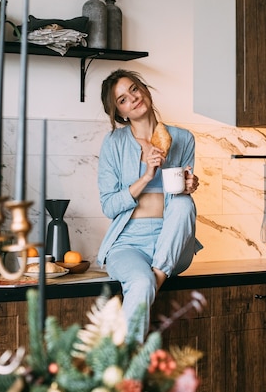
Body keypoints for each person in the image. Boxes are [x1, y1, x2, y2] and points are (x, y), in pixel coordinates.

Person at [97, 69, 203, 342]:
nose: (132, 99)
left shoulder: (182, 138)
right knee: (140, 282)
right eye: (122, 100)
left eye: (134, 89)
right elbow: (109, 206)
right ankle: (126, 371)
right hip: (128, 244)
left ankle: (152, 280)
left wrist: (189, 184)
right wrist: (146, 176)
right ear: (120, 113)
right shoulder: (114, 143)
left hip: (172, 244)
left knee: (183, 203)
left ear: (144, 89)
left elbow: (178, 193)